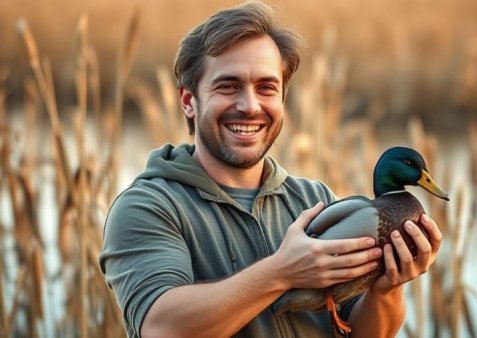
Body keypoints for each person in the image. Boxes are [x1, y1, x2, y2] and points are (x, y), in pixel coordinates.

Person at [99, 1, 443, 337]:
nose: (250, 106)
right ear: (189, 101)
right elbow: (161, 328)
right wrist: (282, 272)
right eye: (228, 86)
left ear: (282, 99)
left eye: (266, 88)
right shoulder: (148, 207)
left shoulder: (315, 199)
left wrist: (386, 290)